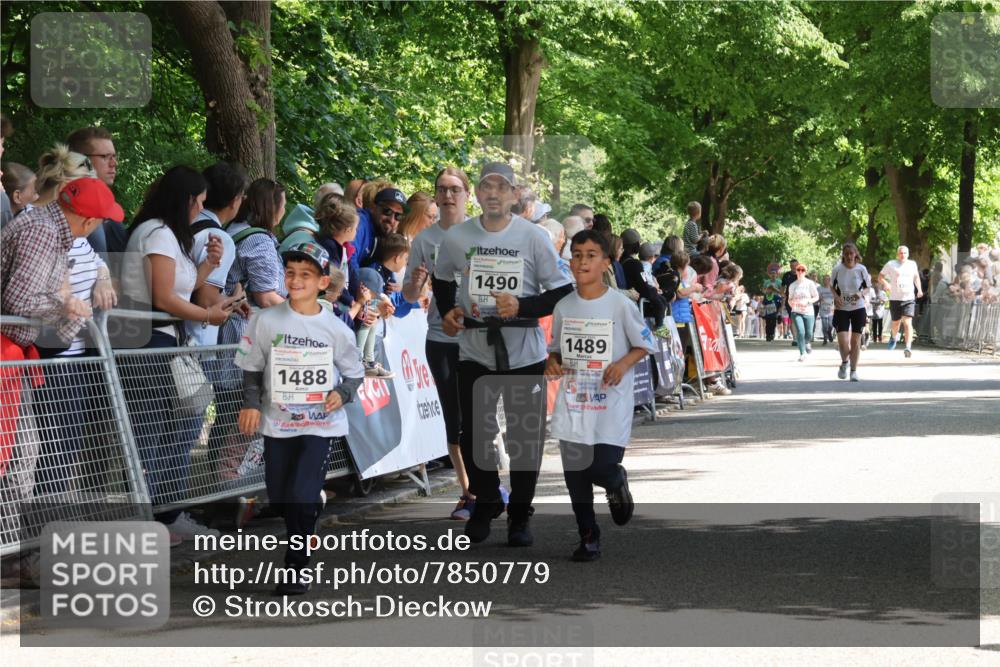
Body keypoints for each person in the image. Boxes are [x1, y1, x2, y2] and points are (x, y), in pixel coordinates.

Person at [432, 161, 573, 547]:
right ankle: (487, 499)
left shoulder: (533, 237)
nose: (493, 193)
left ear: (513, 194)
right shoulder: (458, 237)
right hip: (474, 349)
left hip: (523, 351)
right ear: (476, 193)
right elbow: (442, 277)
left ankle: (520, 514)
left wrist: (522, 307)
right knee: (475, 432)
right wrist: (448, 311)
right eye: (486, 187)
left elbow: (561, 290)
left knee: (524, 439)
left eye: (501, 187)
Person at [118, 166, 239, 541]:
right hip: (150, 345)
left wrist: (208, 266)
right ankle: (150, 519)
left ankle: (166, 514)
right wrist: (208, 314)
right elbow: (165, 297)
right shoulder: (157, 234)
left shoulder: (167, 235)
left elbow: (180, 288)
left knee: (173, 429)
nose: (201, 209)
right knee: (152, 431)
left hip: (166, 343)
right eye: (199, 203)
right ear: (187, 200)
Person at [236, 244, 364, 595]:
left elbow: (355, 374)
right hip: (277, 423)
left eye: (305, 275)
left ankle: (295, 567)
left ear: (323, 282)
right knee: (280, 497)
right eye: (290, 272)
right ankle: (312, 504)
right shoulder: (265, 320)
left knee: (300, 496)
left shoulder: (336, 329)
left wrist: (344, 393)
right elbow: (251, 367)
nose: (295, 280)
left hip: (320, 424)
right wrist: (250, 404)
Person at [544, 230, 654, 561]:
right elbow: (557, 351)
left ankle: (616, 479)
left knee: (601, 467)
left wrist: (622, 364)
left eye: (591, 255)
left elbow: (644, 344)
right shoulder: (563, 306)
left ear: (606, 262)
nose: (582, 261)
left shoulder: (620, 304)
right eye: (576, 254)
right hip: (574, 402)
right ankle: (588, 535)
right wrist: (552, 363)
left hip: (609, 403)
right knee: (575, 474)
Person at [404, 167, 473, 520]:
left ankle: (487, 486)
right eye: (441, 190)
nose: (447, 196)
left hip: (479, 338)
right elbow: (409, 295)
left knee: (480, 418)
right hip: (441, 337)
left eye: (454, 189)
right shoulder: (424, 240)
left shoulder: (485, 234)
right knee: (455, 418)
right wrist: (417, 283)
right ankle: (469, 493)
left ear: (467, 195)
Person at [187, 162, 250, 347]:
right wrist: (237, 299)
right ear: (234, 200)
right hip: (198, 340)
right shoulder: (221, 239)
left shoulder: (185, 224)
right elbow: (206, 300)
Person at [66, 127, 127, 267]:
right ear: (81, 161)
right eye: (105, 157)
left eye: (114, 156)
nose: (114, 163)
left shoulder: (107, 213)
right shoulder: (65, 211)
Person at [831, 243, 872, 382]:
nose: (849, 256)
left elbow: (868, 288)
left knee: (855, 342)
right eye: (846, 253)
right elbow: (832, 287)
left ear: (855, 254)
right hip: (842, 308)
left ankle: (853, 371)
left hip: (858, 308)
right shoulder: (837, 269)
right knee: (843, 342)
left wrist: (860, 294)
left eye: (851, 253)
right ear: (843, 254)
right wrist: (836, 297)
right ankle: (844, 363)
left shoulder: (861, 269)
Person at [879, 245, 923, 358]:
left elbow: (916, 277)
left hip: (908, 298)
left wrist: (919, 289)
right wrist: (886, 284)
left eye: (905, 253)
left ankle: (908, 347)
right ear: (897, 254)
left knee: (908, 322)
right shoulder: (891, 264)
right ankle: (893, 338)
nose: (903, 255)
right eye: (901, 253)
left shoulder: (912, 264)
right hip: (895, 298)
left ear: (908, 254)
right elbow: (880, 277)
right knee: (896, 323)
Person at [620, 229, 666, 327]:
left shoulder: (619, 261)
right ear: (636, 245)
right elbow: (643, 287)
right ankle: (659, 328)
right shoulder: (635, 264)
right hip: (636, 305)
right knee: (661, 301)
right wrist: (654, 290)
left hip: (623, 303)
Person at [787, 263, 819, 361]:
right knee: (800, 332)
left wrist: (809, 301)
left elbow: (816, 296)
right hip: (796, 312)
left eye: (802, 270)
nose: (800, 272)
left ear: (805, 272)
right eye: (798, 270)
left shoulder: (810, 283)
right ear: (796, 271)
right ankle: (802, 353)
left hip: (809, 312)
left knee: (809, 333)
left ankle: (806, 342)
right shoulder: (792, 285)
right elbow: (789, 299)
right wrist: (791, 303)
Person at [817, 275, 835, 345]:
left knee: (830, 325)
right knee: (824, 325)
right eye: (824, 279)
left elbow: (836, 298)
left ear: (829, 280)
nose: (826, 281)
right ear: (823, 281)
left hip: (831, 309)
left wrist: (835, 306)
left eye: (827, 279)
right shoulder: (819, 288)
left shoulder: (833, 289)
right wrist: (819, 298)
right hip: (823, 309)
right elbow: (816, 298)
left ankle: (829, 333)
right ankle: (825, 338)